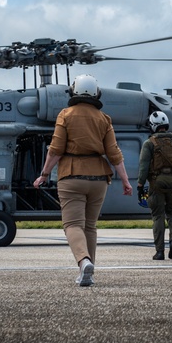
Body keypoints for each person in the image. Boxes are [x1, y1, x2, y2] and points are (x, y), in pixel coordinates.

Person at [32, 75, 132, 287]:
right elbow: (114, 153)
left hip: (72, 176)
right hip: (98, 179)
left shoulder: (65, 115)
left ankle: (84, 261)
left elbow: (56, 150)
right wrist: (125, 181)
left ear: (73, 92)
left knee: (72, 224)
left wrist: (44, 173)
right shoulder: (104, 118)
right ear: (97, 94)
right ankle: (88, 272)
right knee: (90, 226)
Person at [137, 111, 172, 260]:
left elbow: (143, 166)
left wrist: (140, 185)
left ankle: (159, 251)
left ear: (153, 125)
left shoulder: (149, 143)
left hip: (156, 182)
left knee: (158, 216)